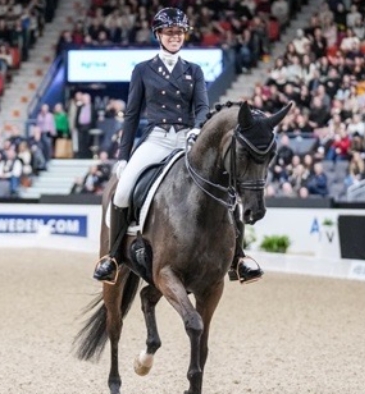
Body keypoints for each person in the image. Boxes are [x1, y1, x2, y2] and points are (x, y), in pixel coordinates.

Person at [92, 7, 263, 285]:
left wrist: (196, 128)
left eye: (180, 33)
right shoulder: (143, 70)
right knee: (122, 191)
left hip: (187, 138)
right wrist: (123, 156)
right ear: (158, 34)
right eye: (170, 32)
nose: (175, 37)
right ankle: (112, 258)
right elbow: (132, 115)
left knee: (227, 190)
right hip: (157, 139)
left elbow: (202, 106)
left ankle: (239, 258)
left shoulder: (193, 70)